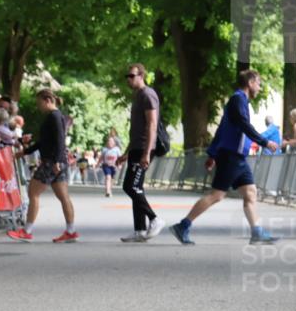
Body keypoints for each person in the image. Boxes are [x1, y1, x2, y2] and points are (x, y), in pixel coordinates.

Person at [170, 70, 280, 245]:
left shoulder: (239, 101)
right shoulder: (238, 99)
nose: (259, 88)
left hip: (237, 158)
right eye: (258, 83)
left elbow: (222, 128)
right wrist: (264, 142)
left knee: (250, 192)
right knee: (217, 195)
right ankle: (183, 225)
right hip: (231, 156)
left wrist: (212, 154)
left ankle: (257, 232)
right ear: (250, 82)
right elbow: (244, 125)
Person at [8, 89, 79, 243]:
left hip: (52, 161)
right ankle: (71, 230)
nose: (38, 106)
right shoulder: (54, 116)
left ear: (47, 100)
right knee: (63, 196)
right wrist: (25, 151)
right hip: (56, 161)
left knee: (33, 192)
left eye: (39, 103)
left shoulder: (54, 116)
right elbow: (43, 142)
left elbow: (60, 140)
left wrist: (58, 161)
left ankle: (27, 231)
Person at [115, 63, 164, 242]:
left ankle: (155, 219)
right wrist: (126, 153)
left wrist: (146, 152)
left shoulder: (148, 94)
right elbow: (136, 130)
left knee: (130, 186)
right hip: (136, 148)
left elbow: (151, 124)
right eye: (127, 76)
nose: (128, 79)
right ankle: (140, 231)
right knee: (137, 188)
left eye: (131, 76)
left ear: (141, 76)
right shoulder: (138, 96)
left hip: (144, 148)